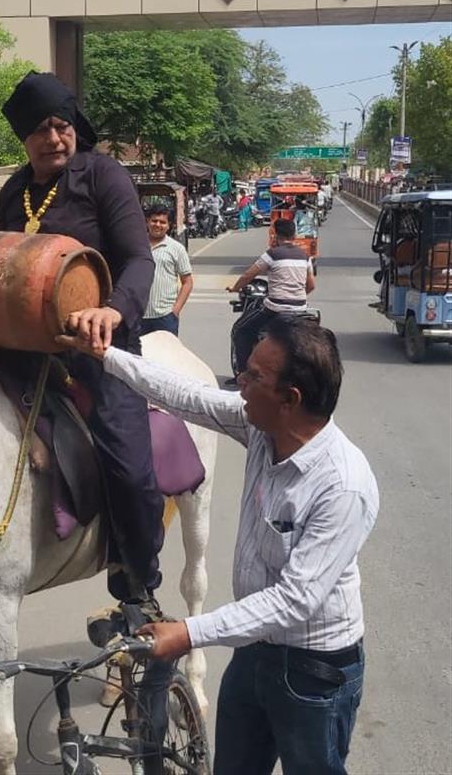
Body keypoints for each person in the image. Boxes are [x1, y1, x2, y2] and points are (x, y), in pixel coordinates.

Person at [61, 317, 379, 775]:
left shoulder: (342, 485)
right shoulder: (260, 427)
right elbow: (183, 395)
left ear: (290, 399)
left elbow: (295, 601)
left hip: (314, 674)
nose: (241, 384)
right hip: (253, 652)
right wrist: (106, 357)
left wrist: (189, 633)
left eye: (252, 377)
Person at [0, 71, 163, 607]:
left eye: (62, 125)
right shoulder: (13, 193)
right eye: (41, 130)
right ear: (24, 138)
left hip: (100, 350)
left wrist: (112, 311)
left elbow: (139, 259)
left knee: (130, 468)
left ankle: (139, 582)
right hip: (25, 348)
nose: (54, 138)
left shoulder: (104, 176)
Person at [227, 218, 315, 377]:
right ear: (294, 235)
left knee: (240, 330)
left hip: (275, 308)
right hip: (301, 309)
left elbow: (249, 274)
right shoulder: (305, 256)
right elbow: (311, 286)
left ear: (276, 235)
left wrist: (235, 288)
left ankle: (243, 375)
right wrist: (296, 296)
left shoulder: (273, 254)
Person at [141, 204, 193, 336]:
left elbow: (187, 282)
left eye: (162, 222)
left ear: (169, 225)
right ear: (147, 221)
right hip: (138, 316)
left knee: (165, 356)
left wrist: (175, 310)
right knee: (136, 356)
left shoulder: (177, 248)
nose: (157, 225)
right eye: (154, 221)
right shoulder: (137, 245)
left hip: (165, 317)